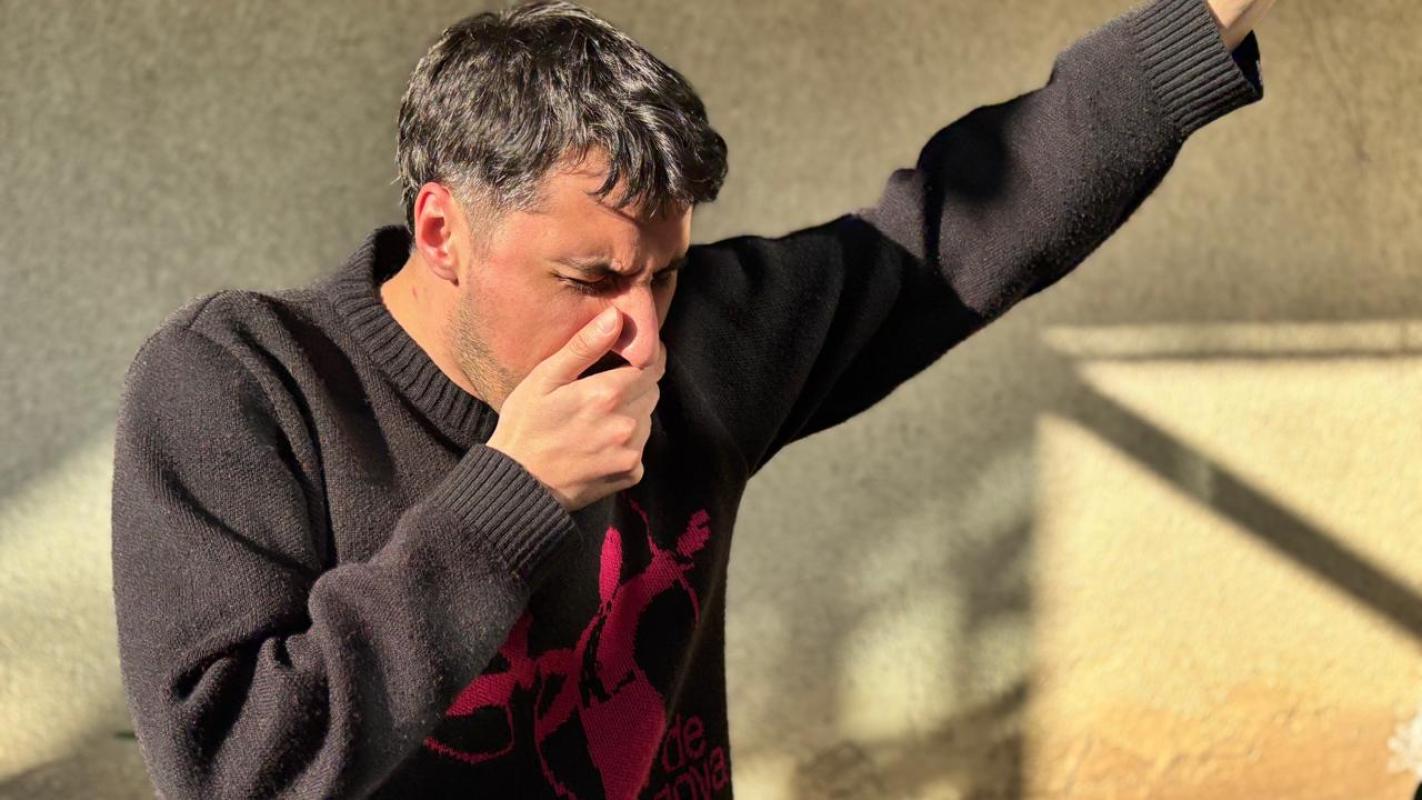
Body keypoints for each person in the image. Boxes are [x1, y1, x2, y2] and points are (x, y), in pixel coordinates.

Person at [109, 0, 1270, 796]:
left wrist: (1201, 23)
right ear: (442, 229)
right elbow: (232, 768)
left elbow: (959, 228)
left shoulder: (703, 343)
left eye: (662, 273)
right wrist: (510, 496)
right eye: (588, 279)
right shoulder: (239, 383)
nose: (640, 331)